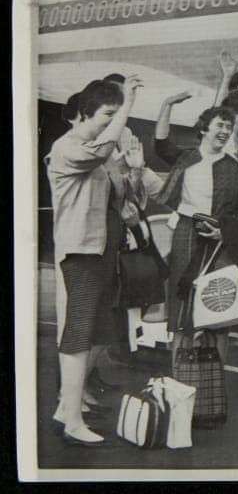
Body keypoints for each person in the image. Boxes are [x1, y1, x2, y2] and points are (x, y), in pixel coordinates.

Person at [46, 76, 141, 446]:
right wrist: (128, 104)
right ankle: (70, 419)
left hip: (100, 253)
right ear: (85, 113)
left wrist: (132, 169)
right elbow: (101, 151)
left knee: (97, 333)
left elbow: (126, 203)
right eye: (107, 114)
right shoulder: (67, 147)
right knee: (79, 333)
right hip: (80, 253)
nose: (112, 121)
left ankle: (64, 410)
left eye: (116, 114)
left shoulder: (97, 153)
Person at [153, 94, 238, 374]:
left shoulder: (234, 167)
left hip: (220, 240)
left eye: (228, 126)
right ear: (203, 129)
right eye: (220, 125)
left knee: (218, 308)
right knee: (183, 309)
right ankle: (180, 383)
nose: (225, 131)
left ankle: (212, 387)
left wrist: (224, 233)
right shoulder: (186, 157)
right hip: (187, 233)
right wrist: (167, 105)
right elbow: (161, 143)